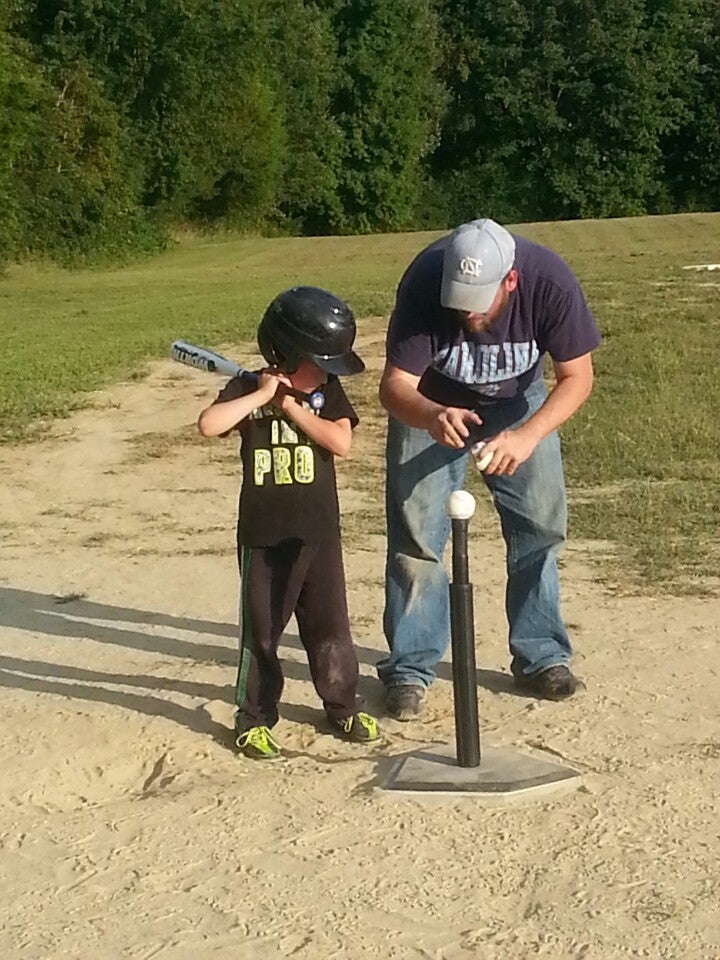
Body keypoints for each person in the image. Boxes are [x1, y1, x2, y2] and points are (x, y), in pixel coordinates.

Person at [378, 218, 601, 720]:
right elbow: (394, 386)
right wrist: (432, 416)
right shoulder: (423, 283)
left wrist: (527, 435)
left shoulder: (549, 281)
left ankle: (542, 654)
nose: (467, 311)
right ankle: (410, 668)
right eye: (459, 297)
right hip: (432, 401)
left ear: (511, 281)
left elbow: (577, 376)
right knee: (416, 536)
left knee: (539, 528)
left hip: (519, 404)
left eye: (479, 298)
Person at [198, 286, 380, 759]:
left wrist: (292, 407)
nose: (324, 372)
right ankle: (255, 718)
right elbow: (209, 424)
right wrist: (260, 395)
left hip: (319, 533)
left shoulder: (325, 392)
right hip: (263, 538)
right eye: (317, 362)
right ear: (284, 352)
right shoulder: (247, 388)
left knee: (330, 628)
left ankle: (341, 705)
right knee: (262, 633)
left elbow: (341, 444)